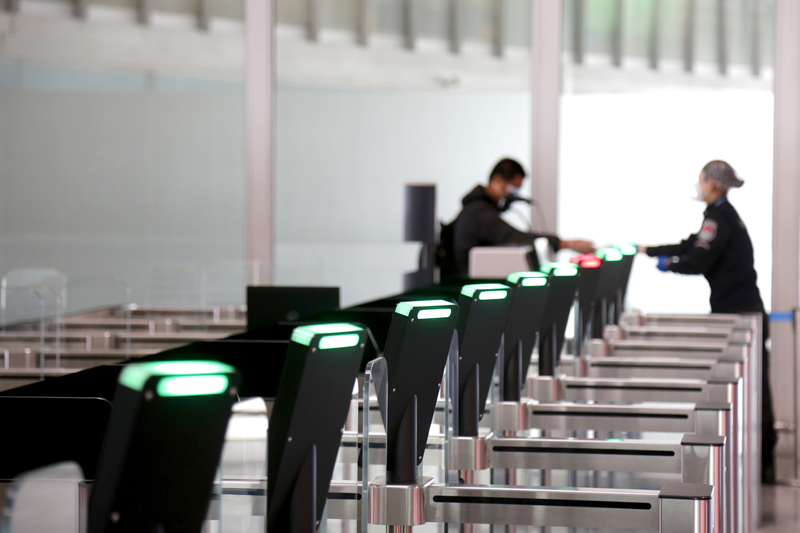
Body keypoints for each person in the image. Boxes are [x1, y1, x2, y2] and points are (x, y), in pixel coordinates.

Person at [638, 159, 777, 483]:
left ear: (711, 183)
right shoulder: (724, 215)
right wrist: (646, 250)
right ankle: (763, 460)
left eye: (701, 179)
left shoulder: (718, 217)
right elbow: (692, 243)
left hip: (739, 315)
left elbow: (699, 259)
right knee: (753, 388)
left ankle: (763, 461)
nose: (698, 184)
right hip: (744, 310)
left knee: (752, 390)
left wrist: (670, 265)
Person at [448, 158, 595, 279]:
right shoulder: (479, 213)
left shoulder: (479, 208)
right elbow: (513, 237)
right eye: (513, 188)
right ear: (497, 180)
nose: (513, 195)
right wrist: (564, 243)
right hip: (465, 284)